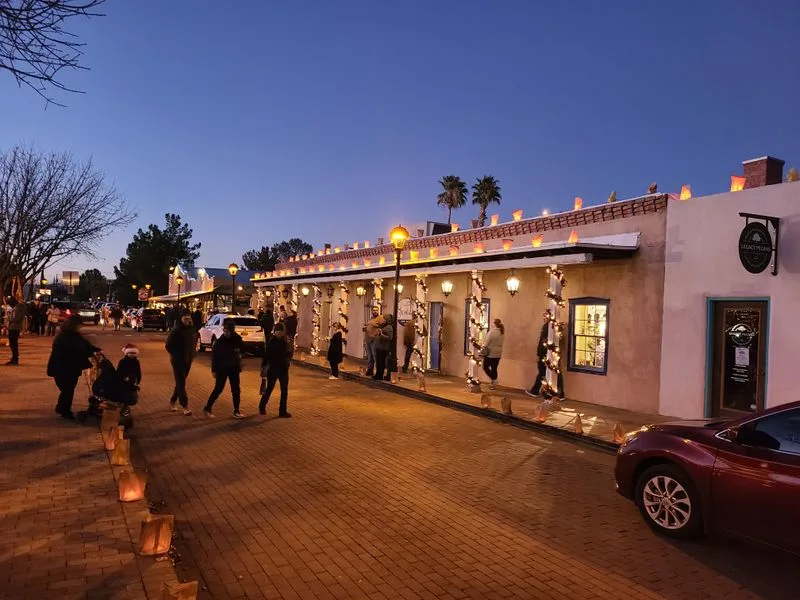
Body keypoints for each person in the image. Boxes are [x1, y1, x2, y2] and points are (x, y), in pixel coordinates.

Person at [46, 314, 100, 420]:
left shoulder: (73, 335)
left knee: (67, 390)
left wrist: (95, 350)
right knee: (68, 390)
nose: (80, 327)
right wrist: (89, 353)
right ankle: (64, 411)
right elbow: (77, 349)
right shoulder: (65, 337)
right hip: (64, 368)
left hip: (69, 368)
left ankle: (61, 408)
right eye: (79, 325)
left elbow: (85, 345)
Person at [204, 318, 244, 419]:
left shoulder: (238, 340)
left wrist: (239, 359)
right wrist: (214, 370)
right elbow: (215, 357)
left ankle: (236, 410)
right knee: (218, 389)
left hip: (234, 368)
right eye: (224, 330)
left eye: (228, 331)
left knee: (236, 390)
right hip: (222, 368)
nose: (226, 333)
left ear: (232, 331)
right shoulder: (219, 342)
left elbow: (242, 351)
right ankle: (208, 407)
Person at [165, 311, 196, 415]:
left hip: (188, 360)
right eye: (185, 318)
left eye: (189, 318)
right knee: (181, 382)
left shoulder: (192, 329)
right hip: (178, 360)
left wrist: (192, 354)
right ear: (181, 319)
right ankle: (185, 406)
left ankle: (173, 400)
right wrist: (176, 354)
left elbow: (193, 343)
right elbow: (168, 345)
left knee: (180, 382)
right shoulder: (176, 330)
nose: (187, 320)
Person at [259, 323, 293, 418]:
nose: (279, 333)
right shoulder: (271, 342)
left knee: (284, 390)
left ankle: (282, 411)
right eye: (277, 331)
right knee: (269, 388)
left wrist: (288, 360)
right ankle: (262, 406)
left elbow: (289, 353)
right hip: (273, 369)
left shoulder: (286, 342)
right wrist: (264, 367)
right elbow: (266, 355)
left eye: (280, 331)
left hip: (283, 369)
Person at [526, 314, 550, 397]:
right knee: (544, 373)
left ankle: (535, 391)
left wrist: (539, 354)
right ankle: (559, 393)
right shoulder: (548, 326)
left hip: (544, 354)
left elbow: (542, 342)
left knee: (542, 373)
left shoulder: (547, 326)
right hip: (546, 354)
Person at [481, 318, 505, 389]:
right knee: (494, 368)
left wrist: (483, 347)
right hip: (498, 353)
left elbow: (486, 343)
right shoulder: (502, 332)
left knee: (485, 367)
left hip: (491, 353)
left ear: (494, 324)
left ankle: (494, 380)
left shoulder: (492, 332)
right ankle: (493, 384)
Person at [372, 313, 394, 382]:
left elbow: (389, 338)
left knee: (381, 362)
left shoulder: (389, 327)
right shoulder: (383, 325)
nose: (383, 320)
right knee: (378, 362)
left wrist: (381, 335)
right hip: (379, 346)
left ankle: (380, 375)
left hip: (383, 347)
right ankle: (377, 374)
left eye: (384, 318)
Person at [363, 306, 382, 376]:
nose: (375, 311)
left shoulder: (380, 318)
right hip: (368, 340)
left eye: (376, 310)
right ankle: (369, 370)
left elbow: (382, 328)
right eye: (374, 310)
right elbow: (367, 327)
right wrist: (365, 328)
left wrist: (377, 335)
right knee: (369, 356)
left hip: (374, 340)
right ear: (372, 311)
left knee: (375, 356)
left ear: (378, 311)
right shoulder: (370, 319)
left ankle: (378, 372)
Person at [6, 297, 25, 365]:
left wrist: (8, 318)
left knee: (13, 344)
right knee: (13, 344)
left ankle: (15, 359)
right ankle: (14, 358)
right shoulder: (17, 307)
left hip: (14, 328)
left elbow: (16, 318)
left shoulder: (17, 308)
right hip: (14, 327)